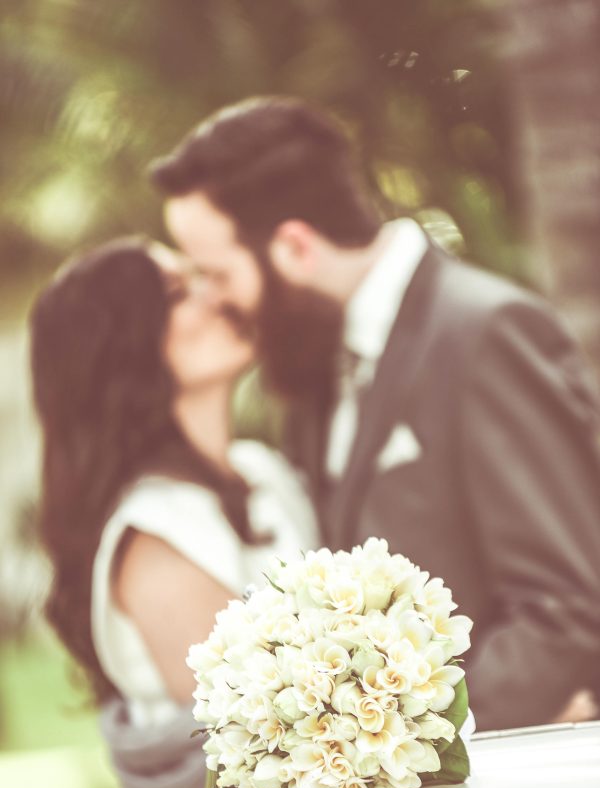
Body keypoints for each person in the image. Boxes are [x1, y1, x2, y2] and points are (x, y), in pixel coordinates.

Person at [150, 96, 600, 731]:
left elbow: (566, 606)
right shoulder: (311, 369)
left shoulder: (485, 332)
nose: (216, 300)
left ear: (296, 247)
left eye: (217, 273)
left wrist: (402, 744)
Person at [29, 236, 318, 788]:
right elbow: (278, 738)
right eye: (177, 292)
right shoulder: (155, 536)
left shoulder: (263, 473)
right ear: (122, 347)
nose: (218, 294)